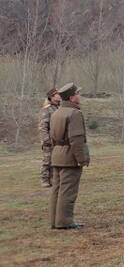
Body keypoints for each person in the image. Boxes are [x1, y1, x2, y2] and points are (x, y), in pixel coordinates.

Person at [49, 83, 89, 230]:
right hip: (70, 157)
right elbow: (76, 139)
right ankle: (65, 221)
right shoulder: (74, 113)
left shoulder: (56, 112)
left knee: (57, 190)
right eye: (77, 93)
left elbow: (52, 137)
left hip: (57, 155)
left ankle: (55, 221)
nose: (79, 96)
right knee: (68, 191)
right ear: (72, 97)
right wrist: (82, 159)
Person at [39, 88, 61, 187]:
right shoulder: (46, 109)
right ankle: (44, 180)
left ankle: (53, 179)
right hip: (49, 140)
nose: (59, 95)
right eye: (57, 94)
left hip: (57, 140)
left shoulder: (58, 107)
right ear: (52, 96)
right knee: (47, 161)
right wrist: (46, 139)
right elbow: (43, 126)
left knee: (55, 160)